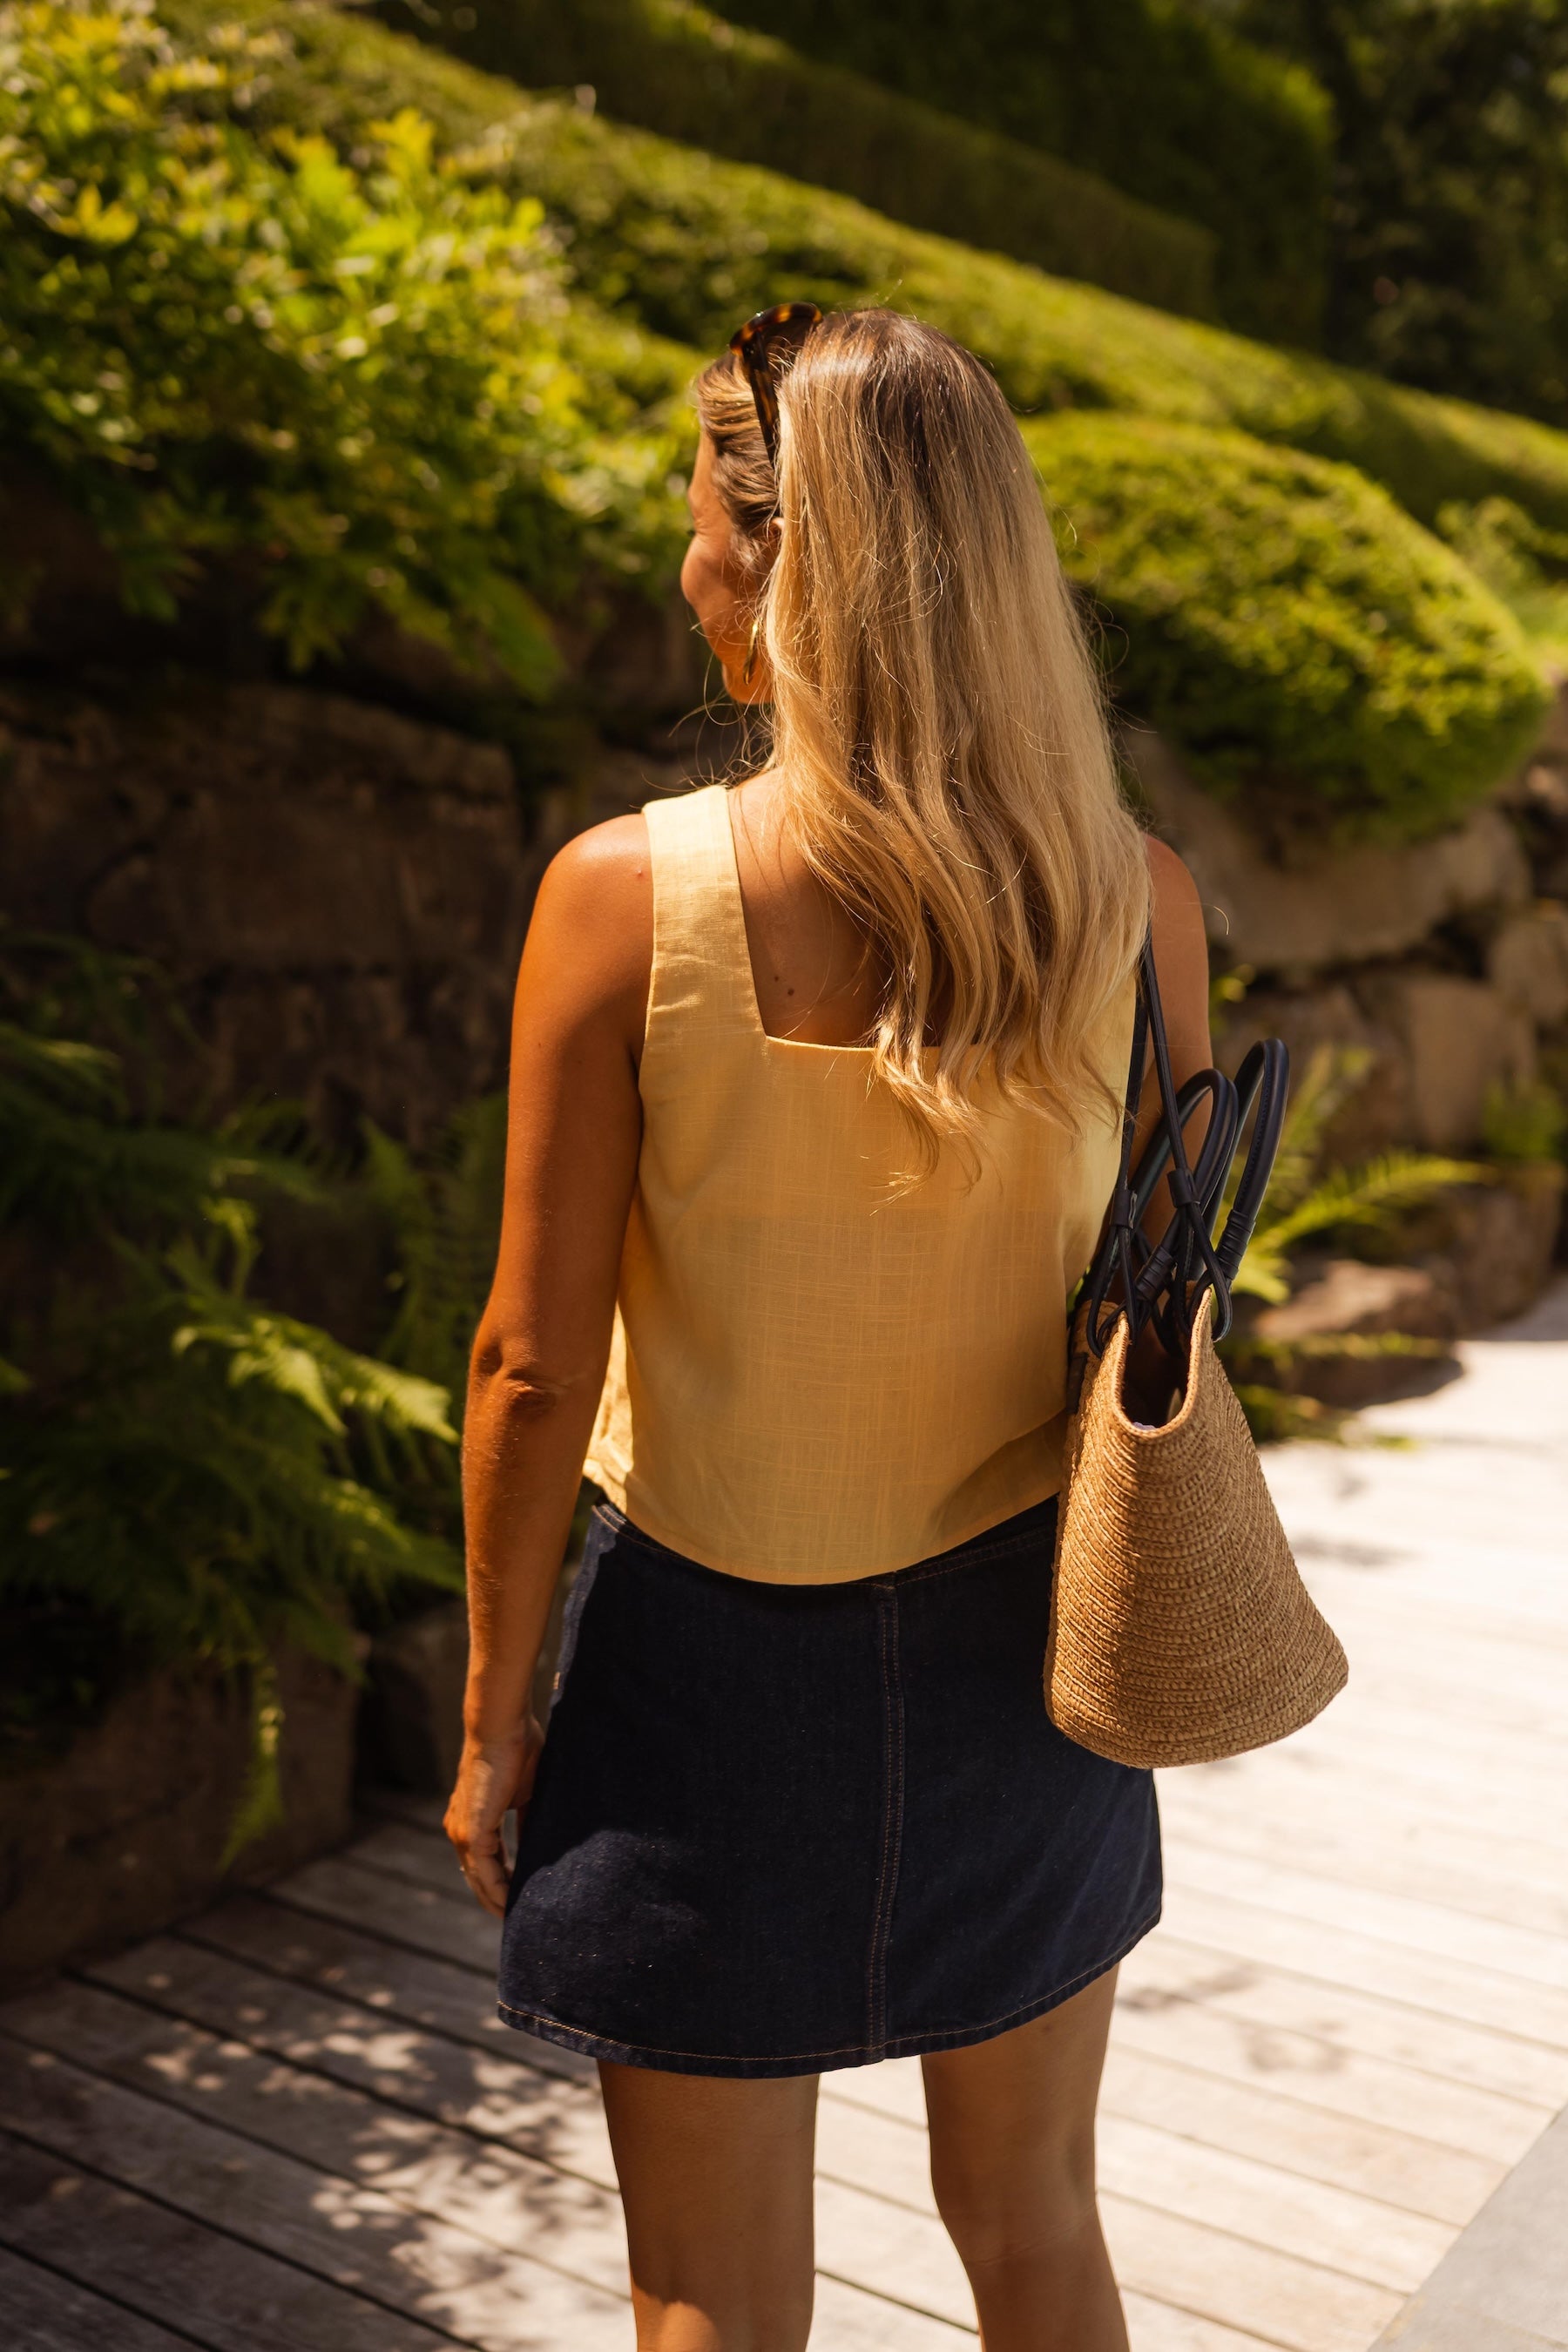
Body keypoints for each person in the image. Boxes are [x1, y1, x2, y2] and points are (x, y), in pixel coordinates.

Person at [445, 305, 1213, 2352]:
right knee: (1039, 2226)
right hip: (1026, 1656)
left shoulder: (624, 897)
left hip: (701, 1661)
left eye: (707, 521)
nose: (690, 564)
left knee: (713, 2290)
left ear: (797, 566)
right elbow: (1163, 1294)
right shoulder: (1134, 898)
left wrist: (495, 1711)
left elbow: (531, 1359)